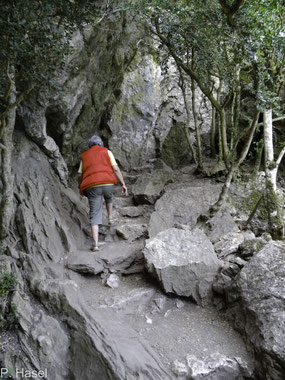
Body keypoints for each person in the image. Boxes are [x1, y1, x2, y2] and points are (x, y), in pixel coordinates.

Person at [78, 135, 128, 252]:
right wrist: (123, 184)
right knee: (108, 196)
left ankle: (95, 244)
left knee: (94, 214)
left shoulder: (84, 156)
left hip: (92, 186)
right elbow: (115, 169)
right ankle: (110, 218)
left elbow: (79, 175)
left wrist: (80, 186)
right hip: (107, 182)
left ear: (89, 146)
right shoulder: (107, 152)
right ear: (101, 144)